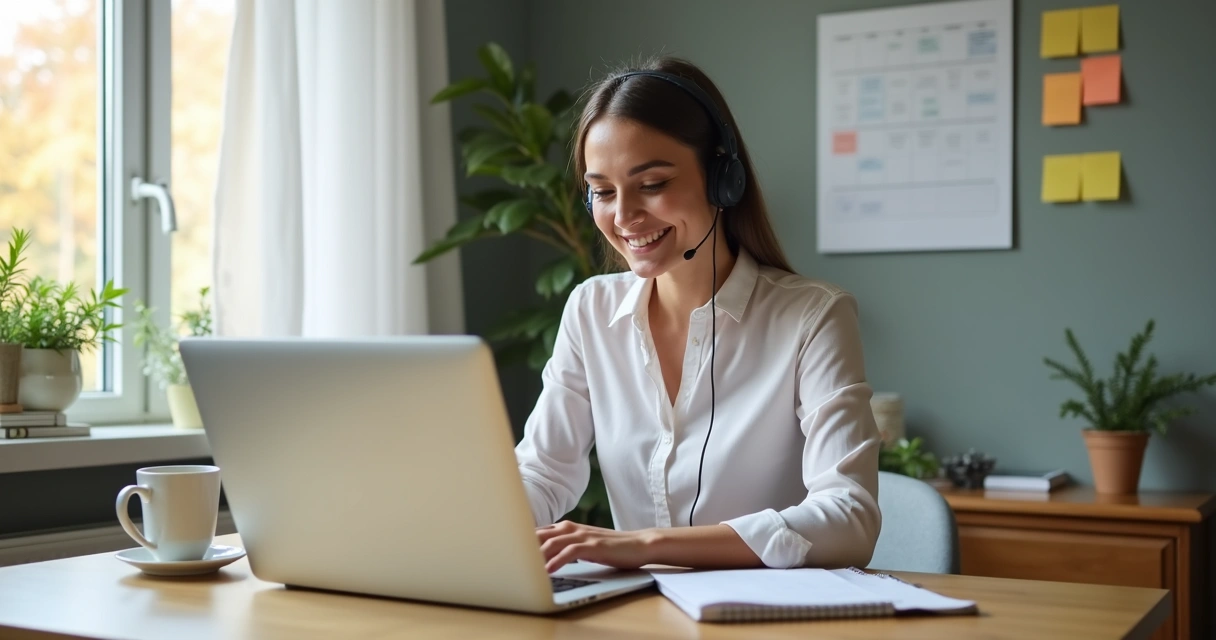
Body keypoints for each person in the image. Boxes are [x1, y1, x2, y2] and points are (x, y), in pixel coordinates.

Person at [514, 56, 881, 574]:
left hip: (764, 610)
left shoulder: (813, 316)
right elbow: (542, 472)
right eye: (603, 192)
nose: (624, 216)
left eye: (652, 184)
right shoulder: (591, 309)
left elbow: (849, 518)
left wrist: (645, 545)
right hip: (638, 610)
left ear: (722, 180)